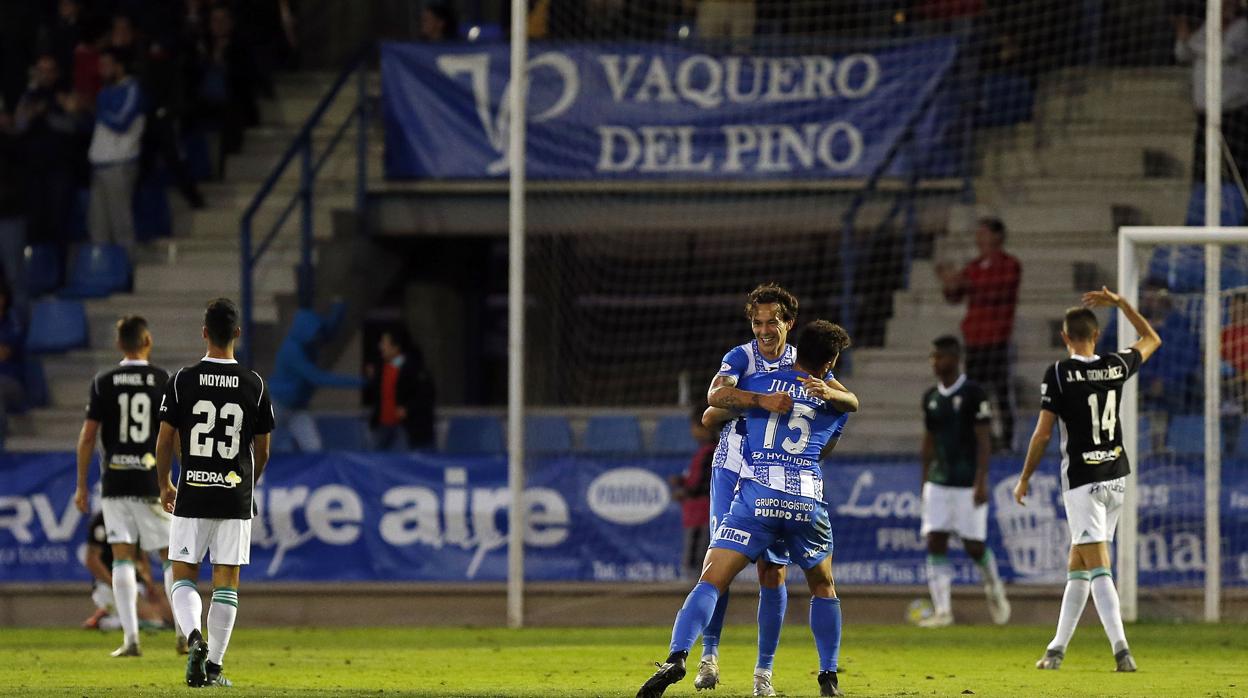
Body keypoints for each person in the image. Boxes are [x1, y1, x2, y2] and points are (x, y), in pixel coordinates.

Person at [637, 320, 856, 698]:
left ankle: (677, 655)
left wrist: (748, 408)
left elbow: (710, 412)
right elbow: (827, 445)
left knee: (711, 578)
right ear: (830, 362)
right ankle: (828, 677)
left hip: (758, 499)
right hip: (805, 502)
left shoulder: (756, 384)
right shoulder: (833, 401)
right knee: (822, 585)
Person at [1013, 287, 1161, 673]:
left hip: (1082, 480)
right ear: (1096, 335)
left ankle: (1122, 651)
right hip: (1116, 478)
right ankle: (1056, 649)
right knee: (1078, 564)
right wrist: (1123, 305)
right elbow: (1152, 339)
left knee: (1099, 568)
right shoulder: (1115, 365)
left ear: (1065, 337)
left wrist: (1025, 477)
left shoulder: (1060, 373)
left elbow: (1043, 434)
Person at [156, 298, 274, 688]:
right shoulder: (254, 384)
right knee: (227, 581)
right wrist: (245, 485)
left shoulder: (181, 380)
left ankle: (193, 640)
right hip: (234, 493)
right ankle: (215, 667)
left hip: (193, 491)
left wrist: (166, 482)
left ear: (204, 332)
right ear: (237, 333)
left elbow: (164, 439)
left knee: (183, 575)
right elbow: (263, 449)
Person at [72, 315, 176, 657]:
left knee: (121, 558)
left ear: (120, 344)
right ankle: (184, 631)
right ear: (147, 341)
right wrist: (173, 477)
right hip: (150, 479)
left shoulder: (104, 381)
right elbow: (171, 435)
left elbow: (88, 437)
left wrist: (82, 486)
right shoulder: (162, 379)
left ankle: (131, 640)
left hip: (115, 480)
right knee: (169, 557)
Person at [918, 335, 1010, 628]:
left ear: (955, 359)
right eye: (932, 357)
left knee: (973, 546)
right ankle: (943, 611)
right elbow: (929, 440)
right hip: (938, 480)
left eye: (940, 357)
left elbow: (984, 441)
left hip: (968, 481)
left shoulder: (974, 394)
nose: (935, 362)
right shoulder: (930, 397)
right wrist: (924, 480)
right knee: (935, 539)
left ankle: (993, 585)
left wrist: (982, 480)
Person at [938, 217, 1021, 452]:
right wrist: (949, 283)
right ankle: (976, 438)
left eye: (984, 233)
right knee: (974, 394)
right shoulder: (973, 267)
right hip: (974, 340)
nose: (979, 238)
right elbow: (955, 296)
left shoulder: (1009, 265)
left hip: (997, 340)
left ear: (997, 237)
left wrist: (963, 281)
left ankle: (1007, 440)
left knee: (1001, 393)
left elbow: (996, 290)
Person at [268, 304, 364, 452]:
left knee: (314, 448)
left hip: (298, 408)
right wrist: (359, 382)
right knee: (262, 447)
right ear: (306, 333)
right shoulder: (292, 350)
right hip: (276, 404)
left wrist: (339, 309)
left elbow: (328, 333)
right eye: (314, 334)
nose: (317, 338)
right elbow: (318, 378)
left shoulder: (310, 341)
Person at [1175, 1, 1248, 182]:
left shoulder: (1242, 28)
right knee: (1202, 168)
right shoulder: (1207, 27)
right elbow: (1182, 55)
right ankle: (1202, 206)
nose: (1224, 7)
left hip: (1233, 112)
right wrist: (1183, 38)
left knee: (1238, 168)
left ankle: (1242, 206)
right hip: (1205, 112)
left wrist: (1191, 42)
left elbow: (1224, 53)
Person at [88, 47, 145, 254]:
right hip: (99, 164)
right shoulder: (104, 91)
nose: (102, 70)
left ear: (119, 67)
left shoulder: (132, 88)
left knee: (121, 224)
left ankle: (128, 272)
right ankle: (103, 274)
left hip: (120, 164)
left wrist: (94, 108)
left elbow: (122, 122)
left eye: (106, 65)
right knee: (98, 227)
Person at [82, 510, 175, 635]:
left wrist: (148, 582)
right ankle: (104, 622)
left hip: (136, 583)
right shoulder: (102, 519)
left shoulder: (136, 518)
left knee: (172, 617)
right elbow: (91, 560)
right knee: (155, 621)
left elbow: (142, 557)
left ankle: (111, 617)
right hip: (108, 585)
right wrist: (116, 585)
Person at [364, 326, 435, 450]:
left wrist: (407, 409)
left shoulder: (413, 368)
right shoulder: (381, 368)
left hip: (404, 428)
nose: (381, 347)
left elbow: (426, 394)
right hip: (382, 427)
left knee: (402, 461)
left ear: (395, 347)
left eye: (384, 343)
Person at [668, 405, 714, 580]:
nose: (692, 431)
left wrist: (684, 492)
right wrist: (681, 481)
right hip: (696, 515)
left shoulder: (710, 452)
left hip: (701, 515)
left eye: (693, 426)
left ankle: (696, 597)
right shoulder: (703, 452)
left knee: (695, 559)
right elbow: (697, 480)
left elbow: (703, 486)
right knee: (694, 557)